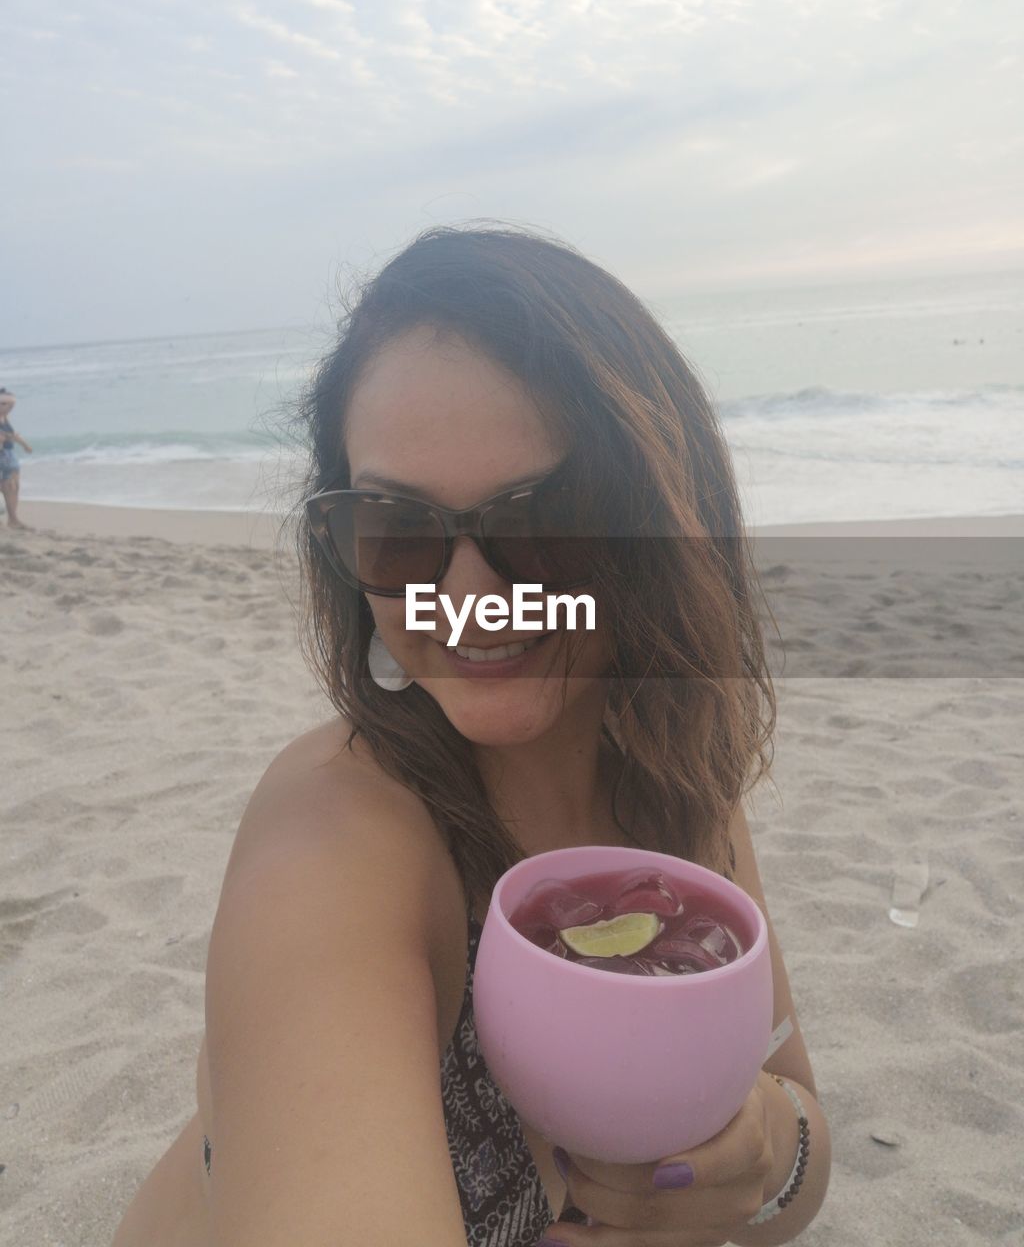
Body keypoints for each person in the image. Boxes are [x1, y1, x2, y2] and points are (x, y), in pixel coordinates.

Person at [113, 226, 831, 1247]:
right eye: (397, 525)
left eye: (540, 522)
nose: (469, 598)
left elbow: (798, 1149)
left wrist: (764, 1148)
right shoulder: (337, 835)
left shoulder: (671, 779)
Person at [0, 389, 32, 529]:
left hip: (9, 453)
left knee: (14, 486)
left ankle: (13, 519)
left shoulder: (4, 417)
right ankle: (11, 519)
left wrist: (25, 445)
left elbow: (12, 434)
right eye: (7, 405)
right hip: (2, 454)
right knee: (7, 486)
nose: (10, 408)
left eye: (12, 406)